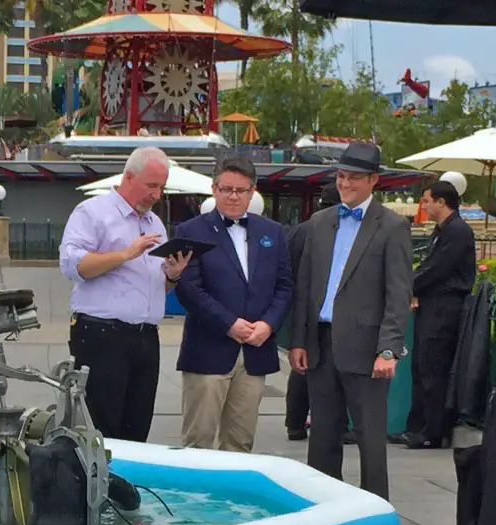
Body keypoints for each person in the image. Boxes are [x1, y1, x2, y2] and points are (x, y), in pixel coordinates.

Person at [288, 142, 413, 500]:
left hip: (368, 348)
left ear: (374, 180)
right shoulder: (319, 222)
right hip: (321, 345)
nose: (346, 184)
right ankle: (323, 509)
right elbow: (305, 287)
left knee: (371, 440)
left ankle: (374, 511)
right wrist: (299, 340)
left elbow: (398, 293)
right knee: (323, 437)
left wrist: (388, 349)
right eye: (341, 177)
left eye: (355, 178)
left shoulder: (392, 227)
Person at [58, 146, 192, 442]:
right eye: (151, 186)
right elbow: (73, 266)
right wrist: (125, 254)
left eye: (162, 187)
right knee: (102, 429)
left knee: (137, 425)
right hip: (102, 335)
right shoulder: (93, 213)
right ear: (129, 177)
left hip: (145, 337)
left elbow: (157, 285)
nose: (157, 194)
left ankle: (123, 487)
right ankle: (97, 487)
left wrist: (173, 274)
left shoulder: (154, 223)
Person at [172, 155, 294, 452]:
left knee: (240, 444)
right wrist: (229, 324)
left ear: (253, 192)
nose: (233, 196)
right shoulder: (190, 231)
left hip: (255, 350)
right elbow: (189, 289)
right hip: (208, 351)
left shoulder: (272, 232)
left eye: (241, 190)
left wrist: (268, 324)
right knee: (198, 442)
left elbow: (285, 285)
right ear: (214, 189)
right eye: (226, 189)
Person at [402, 180, 477, 449]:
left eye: (427, 201)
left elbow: (438, 268)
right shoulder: (441, 231)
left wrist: (408, 285)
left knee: (433, 367)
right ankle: (417, 425)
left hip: (445, 306)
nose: (424, 206)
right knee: (421, 366)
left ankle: (433, 431)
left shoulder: (457, 231)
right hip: (432, 304)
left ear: (441, 202)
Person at [284, 182, 341, 441]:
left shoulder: (300, 230)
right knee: (327, 369)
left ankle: (294, 422)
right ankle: (330, 423)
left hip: (300, 306)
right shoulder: (333, 229)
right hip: (327, 310)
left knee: (301, 368)